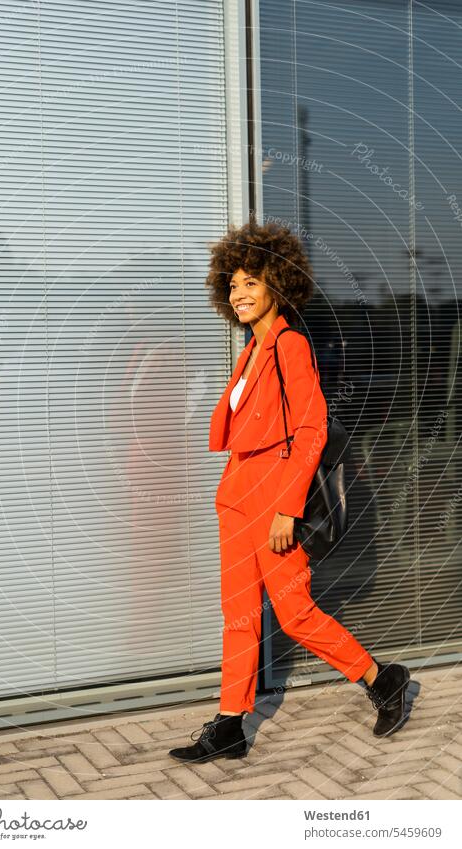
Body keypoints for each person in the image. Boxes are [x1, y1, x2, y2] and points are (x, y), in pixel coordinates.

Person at [168, 221, 411, 764]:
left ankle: (382, 678)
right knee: (238, 614)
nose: (240, 294)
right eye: (232, 286)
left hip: (275, 495)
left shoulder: (289, 344)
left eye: (251, 282)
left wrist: (287, 509)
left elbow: (311, 430)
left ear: (277, 284)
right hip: (237, 495)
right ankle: (230, 724)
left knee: (294, 612)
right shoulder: (250, 351)